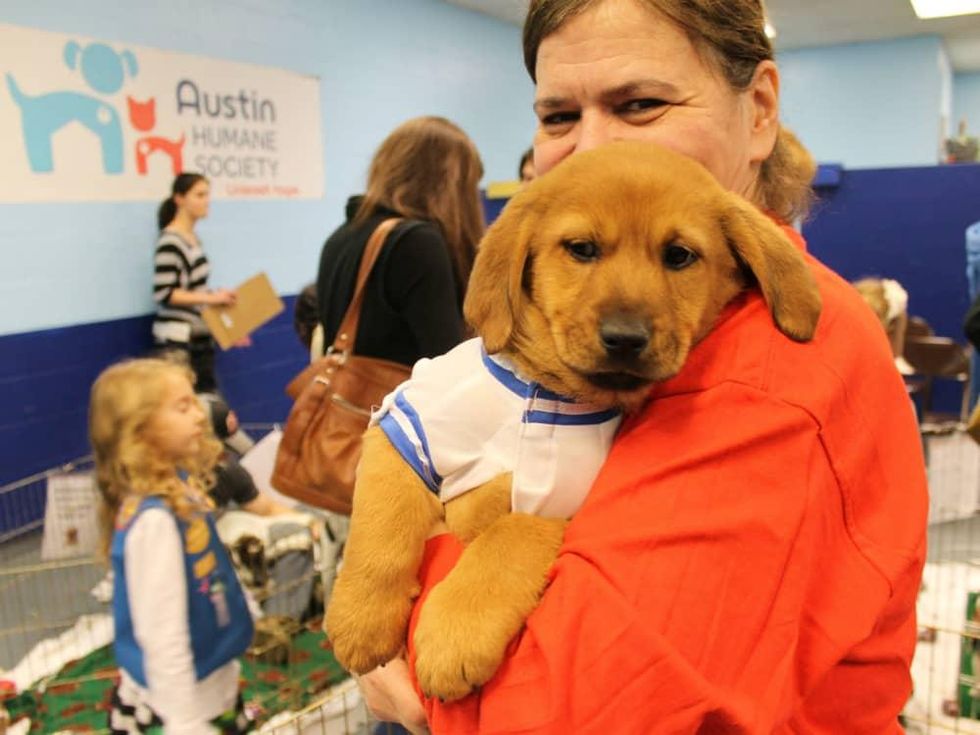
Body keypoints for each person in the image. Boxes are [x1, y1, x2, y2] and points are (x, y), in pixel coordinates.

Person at [358, 1, 928, 732]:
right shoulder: (612, 344)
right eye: (559, 117)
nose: (595, 148)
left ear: (757, 112)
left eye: (642, 104)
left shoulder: (772, 368)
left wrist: (414, 581)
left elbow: (553, 711)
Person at [90, 358, 254, 733]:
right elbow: (162, 636)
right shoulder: (154, 521)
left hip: (213, 688)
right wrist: (183, 723)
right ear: (141, 431)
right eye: (182, 407)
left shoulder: (180, 490)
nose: (199, 414)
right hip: (179, 711)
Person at [316, 116, 483, 369]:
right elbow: (448, 364)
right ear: (447, 181)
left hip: (353, 403)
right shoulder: (416, 243)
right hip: (401, 403)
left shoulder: (341, 235)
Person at [152, 173, 243, 395]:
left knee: (208, 401)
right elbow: (165, 292)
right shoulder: (170, 241)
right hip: (178, 339)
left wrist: (216, 296)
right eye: (199, 195)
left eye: (207, 195)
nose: (206, 201)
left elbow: (193, 287)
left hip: (199, 333)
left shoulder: (193, 238)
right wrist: (211, 298)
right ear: (179, 199)